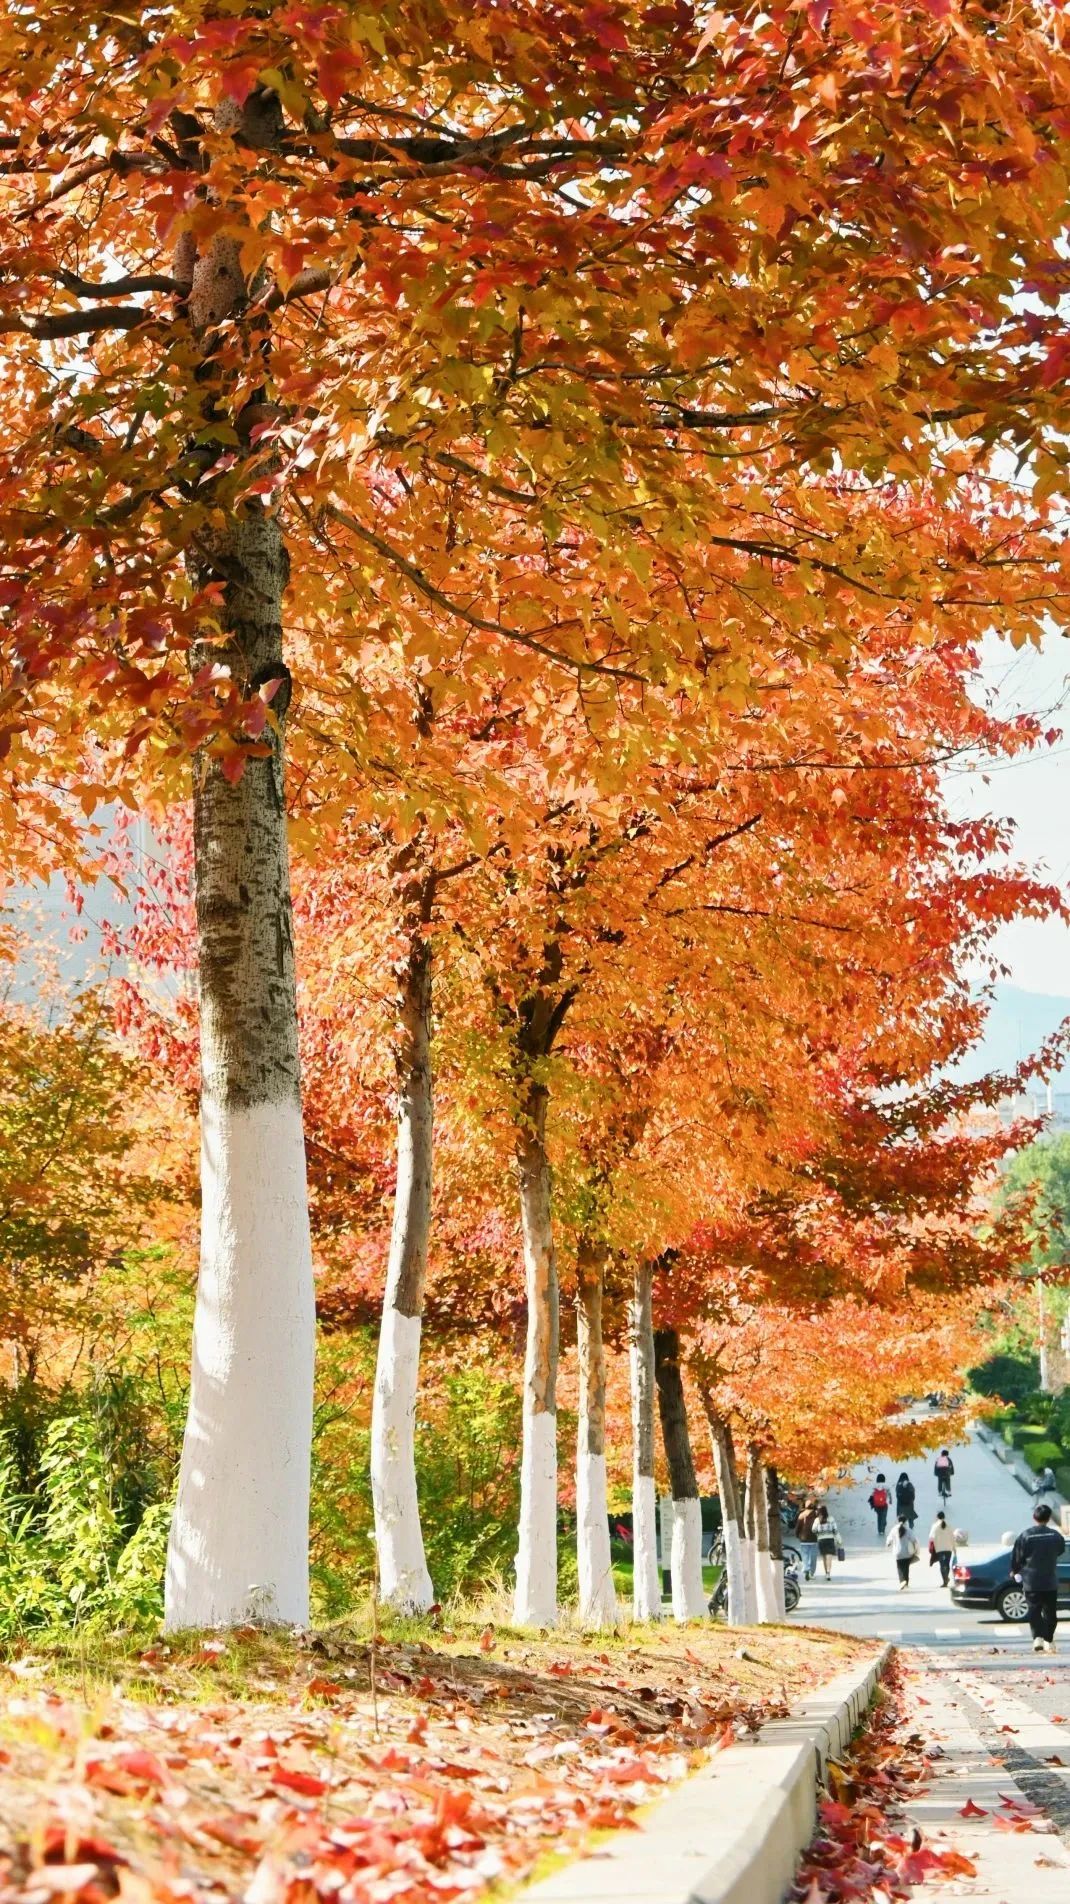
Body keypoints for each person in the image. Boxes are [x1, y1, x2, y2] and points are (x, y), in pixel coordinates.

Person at [1011, 1503, 1067, 1654]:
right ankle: (1049, 1639)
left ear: (1034, 1517)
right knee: (1050, 1612)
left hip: (1031, 1580)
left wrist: (1015, 1570)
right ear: (1049, 1518)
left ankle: (1037, 1638)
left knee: (1034, 1610)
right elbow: (1061, 1550)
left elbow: (1017, 1556)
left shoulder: (1026, 1535)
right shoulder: (1055, 1536)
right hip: (1050, 1580)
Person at [888, 1516, 920, 1589]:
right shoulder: (908, 1530)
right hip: (907, 1553)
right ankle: (906, 1583)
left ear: (898, 1521)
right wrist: (916, 1550)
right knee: (906, 1568)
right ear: (906, 1521)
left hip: (898, 1553)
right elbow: (914, 1540)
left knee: (900, 1568)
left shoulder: (894, 1529)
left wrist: (888, 1543)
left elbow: (889, 1539)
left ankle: (902, 1581)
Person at [928, 1511, 955, 1586]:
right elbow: (952, 1537)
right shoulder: (949, 1525)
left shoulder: (935, 1525)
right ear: (944, 1517)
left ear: (937, 1517)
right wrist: (954, 1548)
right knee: (947, 1564)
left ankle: (945, 1579)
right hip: (949, 1549)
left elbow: (931, 1537)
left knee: (942, 1565)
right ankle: (946, 1578)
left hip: (940, 1549)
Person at [814, 1503, 839, 1580]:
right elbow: (835, 1529)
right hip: (830, 1540)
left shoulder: (817, 1520)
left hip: (821, 1540)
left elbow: (813, 1530)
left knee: (824, 1557)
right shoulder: (831, 1519)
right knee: (829, 1557)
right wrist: (837, 1538)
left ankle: (826, 1572)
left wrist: (819, 1533)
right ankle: (828, 1573)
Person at [796, 1498, 819, 1580]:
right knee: (813, 1557)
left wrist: (797, 1535)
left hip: (803, 1539)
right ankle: (811, 1573)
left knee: (805, 1555)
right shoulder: (816, 1514)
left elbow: (798, 1527)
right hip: (813, 1539)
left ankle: (806, 1569)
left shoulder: (801, 1515)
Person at [868, 1473, 891, 1537]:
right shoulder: (886, 1486)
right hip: (884, 1504)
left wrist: (872, 1503)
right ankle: (882, 1529)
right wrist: (890, 1500)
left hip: (876, 1505)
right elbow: (889, 1493)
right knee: (883, 1517)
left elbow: (872, 1495)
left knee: (879, 1517)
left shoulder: (874, 1486)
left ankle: (879, 1530)